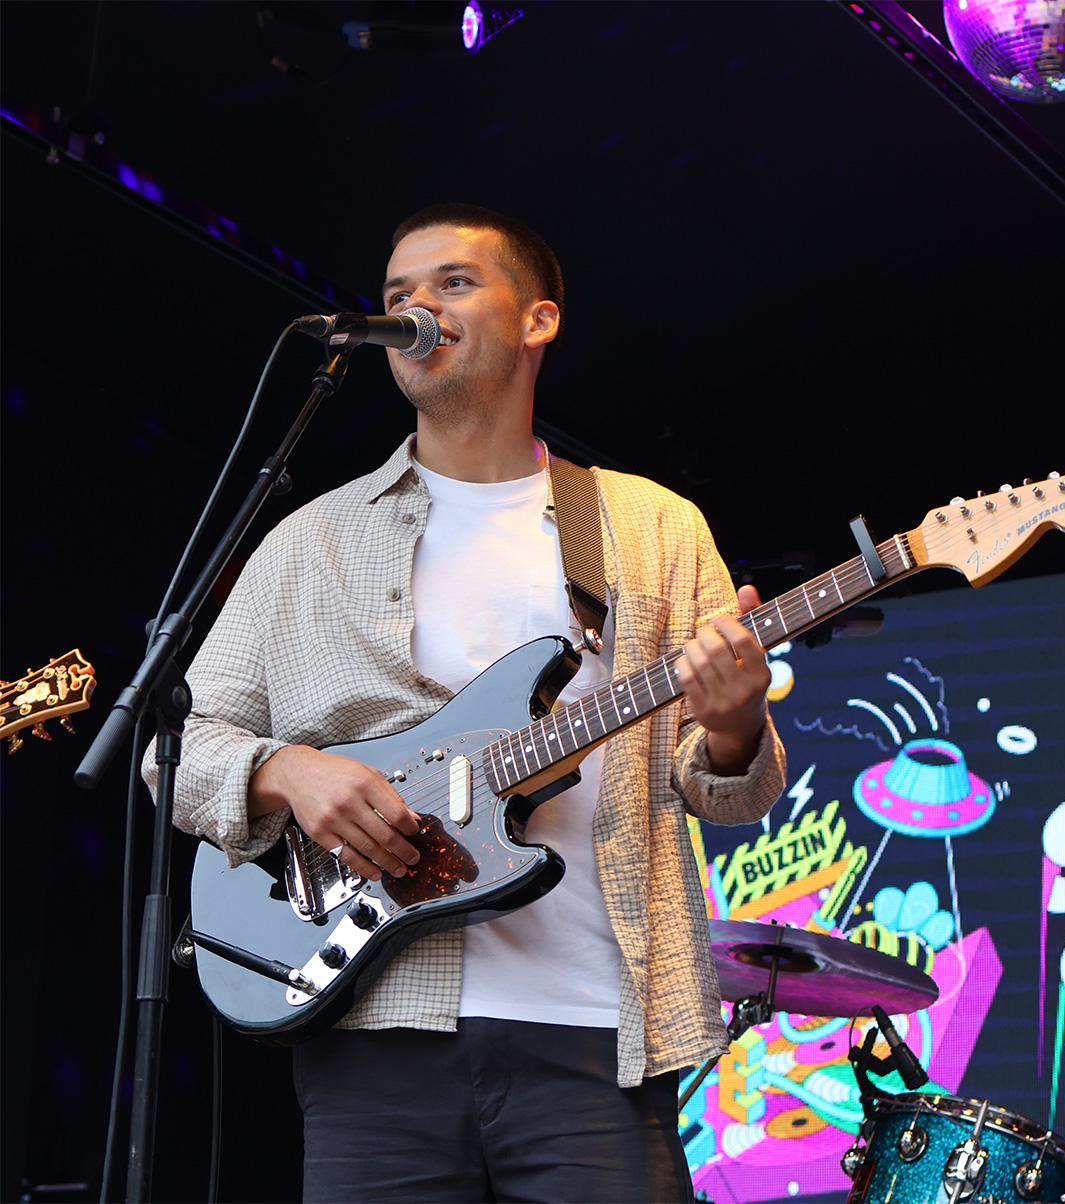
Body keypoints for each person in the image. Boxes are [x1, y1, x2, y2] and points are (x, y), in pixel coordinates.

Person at [148, 203, 786, 1201]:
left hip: (597, 1033)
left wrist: (735, 719)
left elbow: (732, 794)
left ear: (536, 320)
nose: (415, 307)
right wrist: (286, 769)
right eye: (397, 293)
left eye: (450, 283)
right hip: (373, 1031)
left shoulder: (652, 527)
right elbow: (170, 750)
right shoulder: (311, 539)